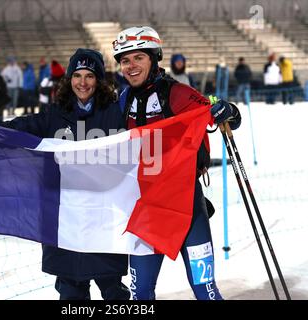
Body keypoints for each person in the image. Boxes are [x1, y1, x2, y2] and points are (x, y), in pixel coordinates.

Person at [0, 49, 130, 300]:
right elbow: (13, 130)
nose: (82, 82)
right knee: (71, 292)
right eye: (77, 75)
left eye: (90, 76)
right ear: (69, 78)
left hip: (102, 217)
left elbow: (151, 138)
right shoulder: (55, 114)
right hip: (65, 220)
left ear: (99, 80)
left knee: (113, 290)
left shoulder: (115, 113)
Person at [112, 26, 241, 300]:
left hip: (188, 209)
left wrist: (228, 109)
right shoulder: (122, 100)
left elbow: (218, 112)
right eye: (125, 60)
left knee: (205, 290)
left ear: (154, 57)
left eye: (138, 58)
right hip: (147, 211)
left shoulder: (178, 93)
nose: (131, 66)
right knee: (140, 294)